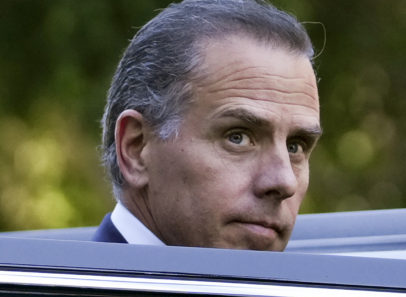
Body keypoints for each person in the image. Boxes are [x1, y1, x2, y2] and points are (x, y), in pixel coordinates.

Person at [92, 0, 321, 251]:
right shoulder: (61, 290)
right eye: (238, 137)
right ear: (136, 149)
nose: (284, 182)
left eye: (295, 147)